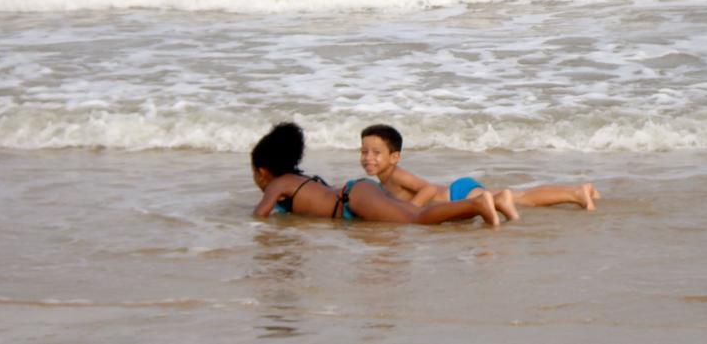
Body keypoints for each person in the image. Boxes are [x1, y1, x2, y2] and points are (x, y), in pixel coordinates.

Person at [251, 122, 500, 225]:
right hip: (356, 193)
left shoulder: (278, 184)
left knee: (416, 218)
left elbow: (259, 217)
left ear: (263, 172)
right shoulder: (299, 178)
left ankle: (477, 204)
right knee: (415, 214)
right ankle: (475, 207)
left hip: (354, 198)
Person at [359, 124, 600, 218]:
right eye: (364, 152)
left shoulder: (396, 174)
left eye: (376, 152)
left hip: (457, 196)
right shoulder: (384, 181)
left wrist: (413, 209)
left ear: (395, 157)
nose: (368, 158)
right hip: (458, 191)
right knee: (519, 196)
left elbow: (428, 188)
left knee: (522, 199)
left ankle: (576, 194)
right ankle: (578, 190)